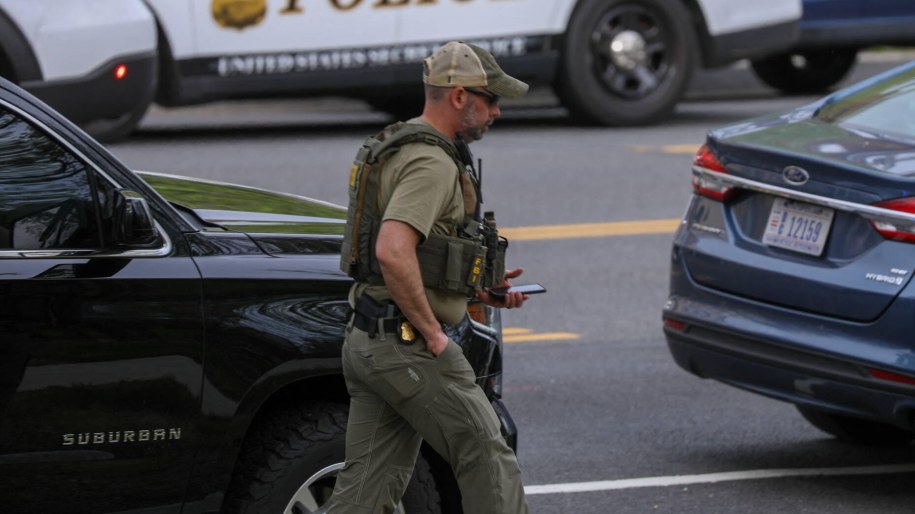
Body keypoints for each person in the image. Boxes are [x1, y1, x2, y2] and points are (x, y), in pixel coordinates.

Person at [328, 41, 531, 514]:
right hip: (407, 348)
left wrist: (476, 290)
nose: (496, 111)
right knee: (487, 456)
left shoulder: (401, 143)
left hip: (370, 342)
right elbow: (392, 250)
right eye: (490, 99)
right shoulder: (432, 162)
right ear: (459, 96)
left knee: (365, 495)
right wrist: (435, 335)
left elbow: (412, 253)